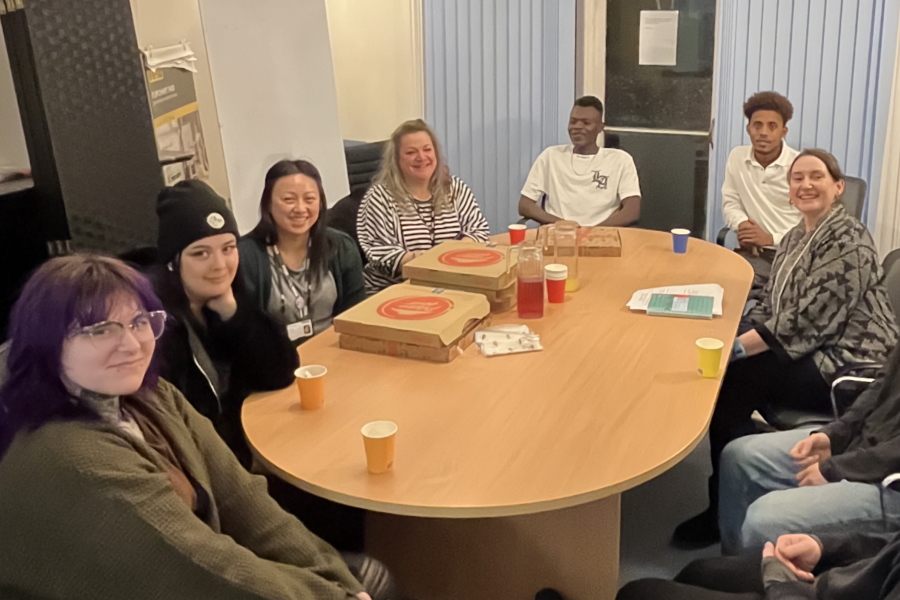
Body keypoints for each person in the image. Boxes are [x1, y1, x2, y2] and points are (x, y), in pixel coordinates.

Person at [0, 254, 389, 599]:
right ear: (47, 344)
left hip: (196, 571)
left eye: (138, 322)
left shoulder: (151, 396)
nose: (132, 345)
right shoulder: (72, 456)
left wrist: (335, 577)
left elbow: (241, 499)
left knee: (367, 575)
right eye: (101, 330)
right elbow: (198, 565)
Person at [673, 149, 898, 548]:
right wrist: (736, 331)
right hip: (813, 350)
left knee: (737, 377)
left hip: (849, 364)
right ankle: (738, 484)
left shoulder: (850, 238)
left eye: (817, 177)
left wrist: (737, 348)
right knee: (735, 376)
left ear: (838, 187)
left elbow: (810, 316)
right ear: (790, 192)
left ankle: (722, 505)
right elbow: (773, 304)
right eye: (797, 179)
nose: (806, 184)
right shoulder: (795, 237)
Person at [152, 180, 299, 467]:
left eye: (228, 248)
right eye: (200, 253)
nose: (219, 264)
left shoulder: (227, 299)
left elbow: (281, 373)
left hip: (243, 455)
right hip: (203, 471)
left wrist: (235, 315)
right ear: (173, 261)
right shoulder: (155, 328)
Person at [717, 344, 900, 555]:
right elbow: (882, 384)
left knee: (764, 520)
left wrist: (837, 469)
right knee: (739, 457)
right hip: (868, 443)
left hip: (890, 481)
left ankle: (766, 580)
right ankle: (733, 567)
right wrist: (835, 434)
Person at [357, 119, 491, 294]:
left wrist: (455, 252)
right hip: (393, 290)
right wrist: (429, 261)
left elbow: (479, 230)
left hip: (449, 285)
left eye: (427, 149)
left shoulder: (454, 188)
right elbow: (381, 254)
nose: (421, 157)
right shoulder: (379, 198)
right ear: (396, 160)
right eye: (411, 152)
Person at [239, 159, 366, 344]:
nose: (300, 209)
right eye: (289, 199)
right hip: (275, 364)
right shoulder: (246, 256)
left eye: (309, 199)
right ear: (268, 204)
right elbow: (246, 334)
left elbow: (355, 317)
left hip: (334, 354)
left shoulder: (341, 247)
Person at [617, 530, 900, 599]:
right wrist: (828, 548)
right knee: (700, 571)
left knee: (640, 594)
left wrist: (782, 586)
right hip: (854, 582)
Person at [518, 95, 641, 227]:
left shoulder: (620, 160)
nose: (577, 127)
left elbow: (632, 211)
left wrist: (591, 232)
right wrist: (561, 224)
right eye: (573, 121)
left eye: (586, 123)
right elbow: (525, 205)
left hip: (602, 236)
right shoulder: (551, 156)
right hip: (559, 235)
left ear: (600, 127)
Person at [722, 91, 801, 282]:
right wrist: (743, 226)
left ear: (783, 132)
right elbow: (730, 203)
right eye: (757, 125)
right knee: (723, 286)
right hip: (754, 254)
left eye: (772, 126)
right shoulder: (737, 157)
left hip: (795, 255)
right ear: (749, 129)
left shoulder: (800, 166)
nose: (763, 132)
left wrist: (770, 238)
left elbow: (813, 225)